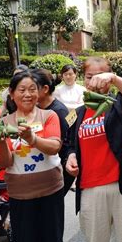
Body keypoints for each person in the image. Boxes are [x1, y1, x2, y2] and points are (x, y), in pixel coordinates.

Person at [65, 57, 122, 242]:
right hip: (90, 190)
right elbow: (69, 143)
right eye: (89, 76)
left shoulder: (119, 104)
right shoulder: (78, 113)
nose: (94, 81)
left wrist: (114, 78)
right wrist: (71, 156)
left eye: (100, 76)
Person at [0, 71, 64, 242]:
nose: (27, 94)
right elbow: (5, 162)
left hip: (50, 193)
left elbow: (54, 146)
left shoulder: (49, 115)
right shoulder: (4, 122)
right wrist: (0, 141)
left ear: (39, 92)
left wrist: (32, 138)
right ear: (12, 93)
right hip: (20, 196)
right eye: (22, 89)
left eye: (32, 89)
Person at [32, 68, 75, 196]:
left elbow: (58, 145)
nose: (28, 93)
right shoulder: (38, 108)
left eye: (32, 88)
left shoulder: (59, 111)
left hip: (60, 169)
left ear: (45, 89)